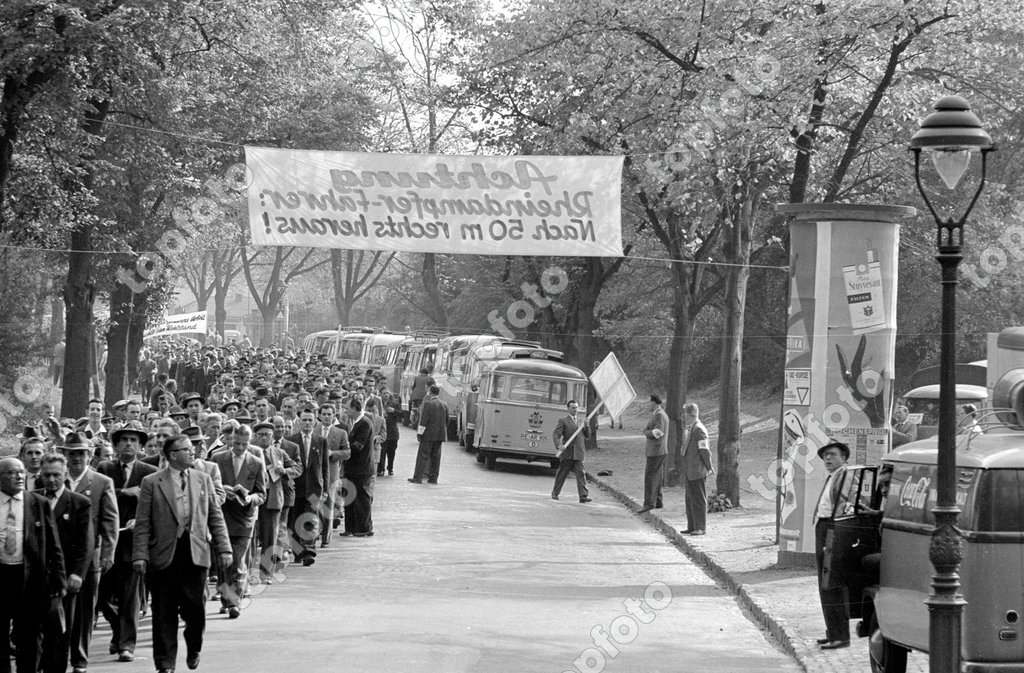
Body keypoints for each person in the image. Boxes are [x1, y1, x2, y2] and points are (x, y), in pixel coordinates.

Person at [132, 435, 233, 673]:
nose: (192, 452)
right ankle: (165, 663)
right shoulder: (152, 482)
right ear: (172, 455)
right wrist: (140, 554)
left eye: (192, 448)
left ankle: (194, 645)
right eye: (186, 449)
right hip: (164, 554)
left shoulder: (203, 479)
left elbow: (215, 517)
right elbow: (143, 522)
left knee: (195, 608)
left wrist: (224, 547)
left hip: (195, 553)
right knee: (163, 611)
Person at [97, 422, 158, 662]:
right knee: (101, 596)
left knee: (131, 597)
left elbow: (154, 504)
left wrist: (140, 521)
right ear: (116, 444)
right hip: (108, 542)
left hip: (134, 541)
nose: (129, 444)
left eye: (134, 440)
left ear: (141, 445)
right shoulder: (105, 467)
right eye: (124, 440)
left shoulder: (147, 471)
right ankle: (117, 630)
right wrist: (125, 491)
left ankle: (126, 645)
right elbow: (100, 496)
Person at [0, 456, 66, 673]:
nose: (17, 476)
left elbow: (53, 546)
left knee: (28, 639)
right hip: (2, 575)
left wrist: (59, 581)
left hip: (29, 580)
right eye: (10, 473)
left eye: (20, 472)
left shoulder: (38, 503)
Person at [62, 432, 119, 673]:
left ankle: (80, 659)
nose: (77, 458)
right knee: (59, 609)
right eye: (72, 453)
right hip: (60, 556)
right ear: (65, 455)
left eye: (81, 453)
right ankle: (57, 655)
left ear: (89, 455)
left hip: (90, 555)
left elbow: (110, 520)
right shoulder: (56, 479)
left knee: (86, 609)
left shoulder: (101, 482)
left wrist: (108, 552)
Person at [37, 453, 94, 673]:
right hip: (37, 577)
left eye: (56, 475)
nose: (51, 480)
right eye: (47, 475)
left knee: (60, 631)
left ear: (65, 474)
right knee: (35, 631)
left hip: (65, 578)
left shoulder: (79, 503)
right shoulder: (33, 499)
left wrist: (78, 573)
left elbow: (84, 543)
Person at [209, 423, 266, 618]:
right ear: (230, 439)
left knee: (238, 561)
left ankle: (234, 603)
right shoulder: (217, 459)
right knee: (223, 562)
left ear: (250, 442)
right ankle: (227, 600)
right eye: (237, 443)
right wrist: (223, 489)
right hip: (222, 516)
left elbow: (262, 494)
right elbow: (210, 486)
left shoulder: (256, 462)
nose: (240, 448)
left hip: (244, 519)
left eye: (244, 444)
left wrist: (250, 498)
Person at [813, 440, 852, 650]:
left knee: (831, 581)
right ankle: (832, 632)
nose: (828, 459)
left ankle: (840, 635)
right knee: (824, 581)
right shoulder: (834, 476)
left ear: (844, 458)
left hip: (832, 528)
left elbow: (844, 503)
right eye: (826, 455)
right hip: (824, 526)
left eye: (833, 455)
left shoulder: (844, 476)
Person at [252, 421, 299, 581]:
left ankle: (266, 574)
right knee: (251, 538)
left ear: (273, 437)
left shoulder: (279, 453)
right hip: (253, 499)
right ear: (255, 437)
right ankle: (248, 575)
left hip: (272, 499)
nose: (264, 438)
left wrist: (285, 471)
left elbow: (297, 468)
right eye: (261, 435)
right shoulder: (250, 452)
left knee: (270, 537)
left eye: (268, 435)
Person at [343, 398, 375, 536]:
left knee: (362, 498)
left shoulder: (364, 423)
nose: (346, 410)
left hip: (362, 468)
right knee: (350, 497)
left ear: (355, 409)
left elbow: (358, 445)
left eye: (348, 408)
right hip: (353, 468)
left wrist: (344, 447)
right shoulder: (357, 423)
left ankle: (363, 528)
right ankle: (351, 527)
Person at [681, 403, 713, 535]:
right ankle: (692, 525)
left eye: (685, 414)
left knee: (698, 499)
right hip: (690, 470)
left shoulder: (698, 429)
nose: (683, 417)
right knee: (690, 498)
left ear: (690, 415)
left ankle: (700, 527)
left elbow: (704, 450)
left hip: (697, 469)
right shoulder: (692, 428)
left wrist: (709, 466)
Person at [550, 399, 591, 503]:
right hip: (568, 453)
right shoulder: (563, 421)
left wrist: (587, 426)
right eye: (573, 408)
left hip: (578, 453)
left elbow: (588, 436)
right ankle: (555, 492)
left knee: (581, 473)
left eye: (576, 408)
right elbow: (556, 434)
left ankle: (583, 496)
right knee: (562, 474)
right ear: (568, 409)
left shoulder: (582, 421)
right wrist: (559, 445)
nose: (575, 410)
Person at [409, 385, 448, 484]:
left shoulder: (428, 404)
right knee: (436, 456)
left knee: (423, 455)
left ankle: (417, 477)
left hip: (428, 434)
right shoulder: (445, 404)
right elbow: (447, 421)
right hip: (440, 434)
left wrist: (419, 433)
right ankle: (433, 478)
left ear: (430, 392)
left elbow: (424, 421)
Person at [639, 395, 669, 513]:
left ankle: (649, 503)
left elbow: (658, 432)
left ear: (654, 403)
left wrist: (646, 432)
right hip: (658, 450)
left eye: (649, 402)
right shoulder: (660, 414)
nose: (648, 405)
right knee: (657, 476)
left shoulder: (659, 415)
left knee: (650, 477)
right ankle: (658, 501)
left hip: (656, 451)